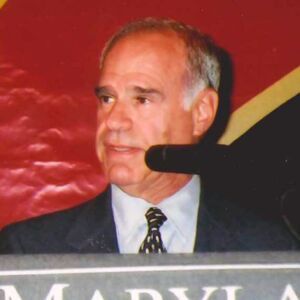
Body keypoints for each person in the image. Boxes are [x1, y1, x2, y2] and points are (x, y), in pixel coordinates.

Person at [0, 17, 297, 254]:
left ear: (201, 112)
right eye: (107, 99)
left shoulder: (271, 247)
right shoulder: (28, 251)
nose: (114, 121)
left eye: (142, 99)